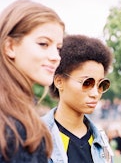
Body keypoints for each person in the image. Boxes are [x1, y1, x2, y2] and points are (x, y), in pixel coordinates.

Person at [0, 0, 64, 162]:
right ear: (10, 47)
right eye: (43, 44)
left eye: (58, 48)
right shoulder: (14, 128)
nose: (55, 57)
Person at [42, 34, 114, 163]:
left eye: (101, 85)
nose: (95, 93)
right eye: (87, 83)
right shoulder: (35, 137)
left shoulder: (101, 140)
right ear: (59, 81)